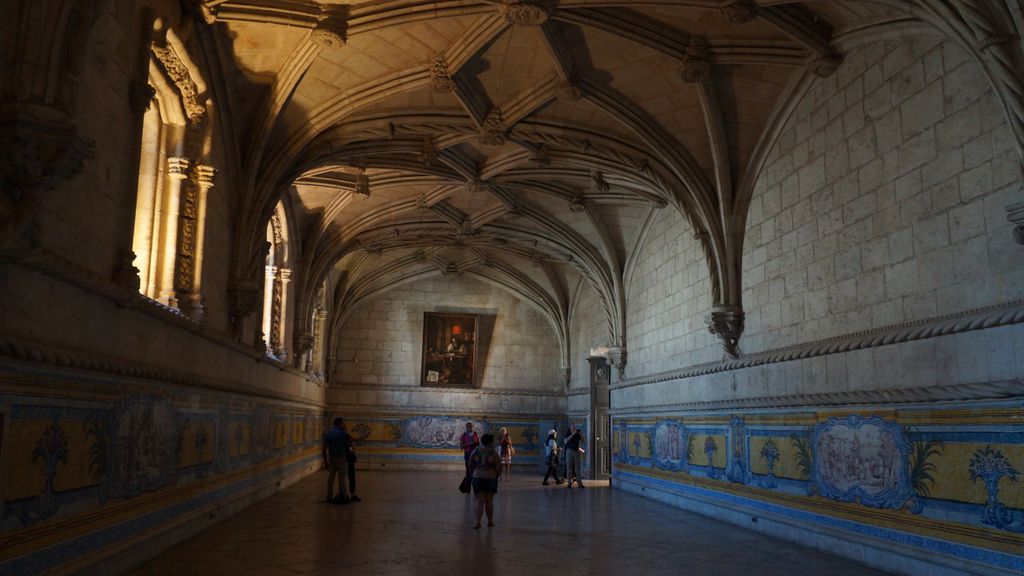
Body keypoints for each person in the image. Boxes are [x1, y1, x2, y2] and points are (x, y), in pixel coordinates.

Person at [469, 433, 501, 528]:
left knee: (479, 501)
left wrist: (472, 474)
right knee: (489, 501)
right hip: (491, 478)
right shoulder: (494, 453)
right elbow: (498, 467)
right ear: (490, 442)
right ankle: (490, 522)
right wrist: (497, 475)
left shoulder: (475, 451)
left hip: (477, 477)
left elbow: (469, 464)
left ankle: (477, 522)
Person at [322, 417, 353, 504]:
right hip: (341, 459)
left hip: (331, 458)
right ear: (339, 424)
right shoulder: (343, 434)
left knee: (331, 478)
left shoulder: (329, 433)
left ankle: (329, 496)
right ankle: (342, 496)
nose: (344, 425)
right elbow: (353, 441)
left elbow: (324, 449)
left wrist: (325, 462)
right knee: (342, 478)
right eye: (343, 423)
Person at [341, 422, 361, 502]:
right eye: (345, 428)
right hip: (347, 459)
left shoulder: (344, 436)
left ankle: (346, 494)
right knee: (350, 477)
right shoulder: (346, 436)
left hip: (344, 458)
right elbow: (350, 448)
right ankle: (349, 494)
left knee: (346, 477)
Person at [564, 422, 584, 488]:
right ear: (570, 428)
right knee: (569, 468)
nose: (574, 428)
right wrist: (573, 434)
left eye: (574, 426)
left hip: (576, 451)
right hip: (569, 451)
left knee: (578, 467)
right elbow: (566, 440)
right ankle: (569, 483)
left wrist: (581, 435)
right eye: (572, 426)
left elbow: (583, 440)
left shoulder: (577, 434)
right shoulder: (568, 434)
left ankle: (579, 483)